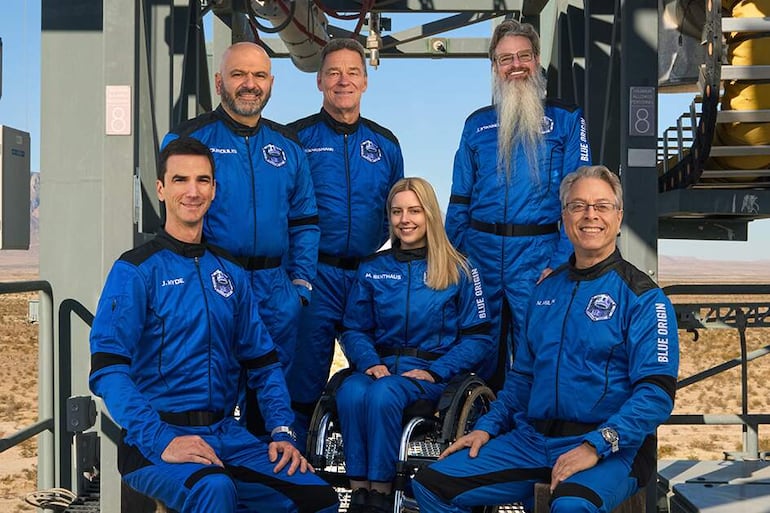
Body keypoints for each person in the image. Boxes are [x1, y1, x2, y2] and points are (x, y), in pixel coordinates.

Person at [88, 138, 338, 513]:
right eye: (180, 180)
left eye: (203, 180)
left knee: (318, 499)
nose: (193, 191)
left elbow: (263, 360)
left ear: (214, 189)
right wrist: (161, 439)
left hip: (225, 435)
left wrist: (281, 430)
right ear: (161, 188)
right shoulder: (136, 270)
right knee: (215, 490)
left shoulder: (230, 272)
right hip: (154, 442)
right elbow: (108, 371)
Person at [412, 165, 679, 513]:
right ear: (564, 217)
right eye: (578, 205)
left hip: (612, 448)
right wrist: (488, 428)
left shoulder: (644, 297)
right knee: (431, 486)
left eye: (601, 205)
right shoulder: (543, 292)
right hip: (533, 442)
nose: (590, 215)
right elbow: (522, 378)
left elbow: (656, 395)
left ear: (619, 216)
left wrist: (595, 445)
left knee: (570, 507)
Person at [161, 42, 320, 435]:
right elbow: (173, 218)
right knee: (209, 397)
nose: (249, 84)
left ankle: (264, 486)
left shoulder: (288, 146)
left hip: (275, 291)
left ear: (270, 83)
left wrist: (299, 286)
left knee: (271, 399)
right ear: (219, 82)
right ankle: (213, 488)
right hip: (215, 286)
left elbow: (305, 222)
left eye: (259, 75)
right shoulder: (189, 140)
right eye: (238, 75)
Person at [445, 19, 592, 386]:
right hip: (481, 255)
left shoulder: (567, 120)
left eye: (523, 56)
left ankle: (535, 437)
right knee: (477, 355)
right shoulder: (475, 125)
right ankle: (480, 433)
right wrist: (458, 259)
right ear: (494, 66)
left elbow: (580, 198)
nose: (515, 66)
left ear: (537, 59)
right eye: (505, 58)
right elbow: (459, 199)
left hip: (539, 257)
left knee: (541, 354)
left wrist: (561, 262)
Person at [336, 177, 494, 513]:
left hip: (431, 376)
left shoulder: (461, 268)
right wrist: (368, 362)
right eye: (397, 212)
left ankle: (379, 496)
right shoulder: (373, 269)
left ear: (430, 215)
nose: (405, 219)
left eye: (414, 210)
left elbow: (479, 337)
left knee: (383, 394)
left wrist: (436, 372)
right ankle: (359, 493)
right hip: (379, 368)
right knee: (350, 392)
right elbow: (353, 328)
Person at [285, 38, 405, 446]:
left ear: (365, 83)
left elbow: (399, 212)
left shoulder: (386, 144)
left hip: (369, 276)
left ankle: (369, 479)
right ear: (319, 80)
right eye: (333, 72)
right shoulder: (295, 139)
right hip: (314, 275)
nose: (343, 81)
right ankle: (295, 477)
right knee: (301, 382)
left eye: (352, 72)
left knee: (374, 378)